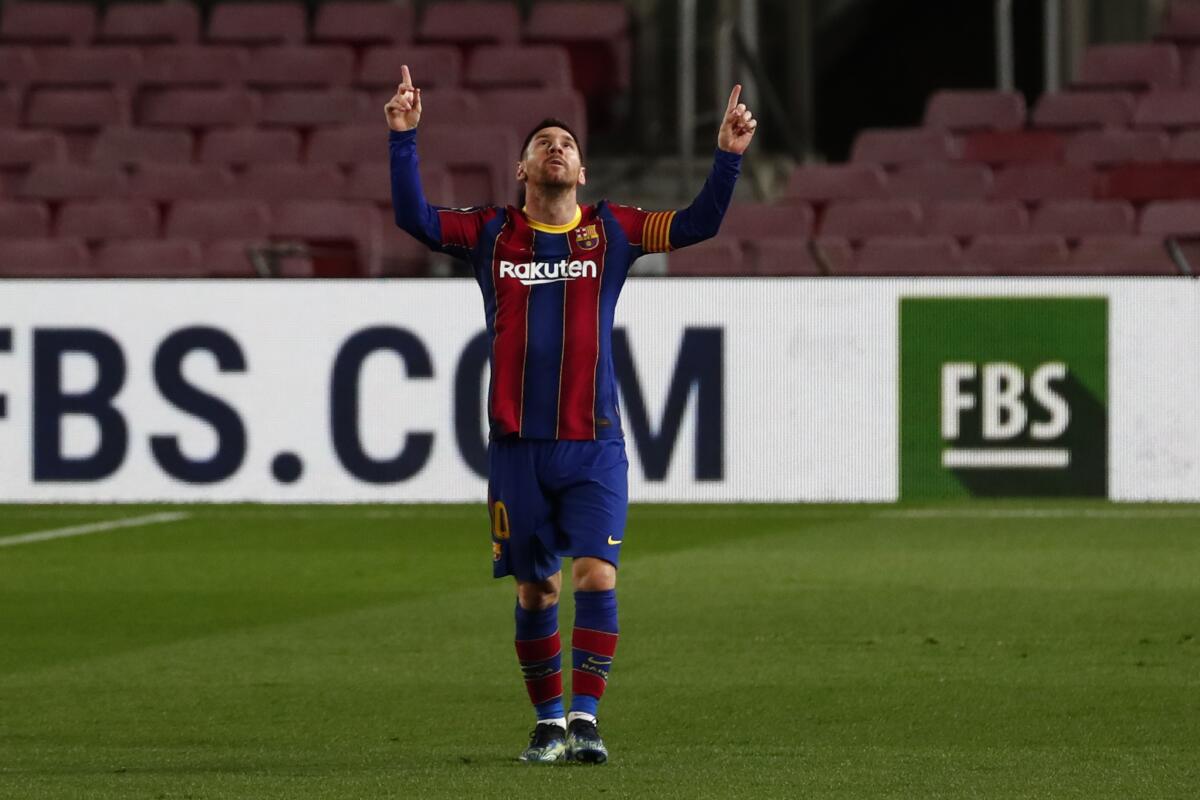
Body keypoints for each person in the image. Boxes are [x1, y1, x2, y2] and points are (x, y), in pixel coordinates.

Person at [386, 64, 756, 764]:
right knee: (536, 588)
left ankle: (586, 719)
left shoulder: (611, 229)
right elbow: (415, 219)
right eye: (542, 143)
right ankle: (547, 722)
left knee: (597, 575)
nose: (556, 147)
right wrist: (404, 139)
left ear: (581, 170)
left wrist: (728, 158)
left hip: (595, 443)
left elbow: (699, 224)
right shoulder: (492, 232)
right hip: (518, 445)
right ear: (522, 168)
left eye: (567, 143)